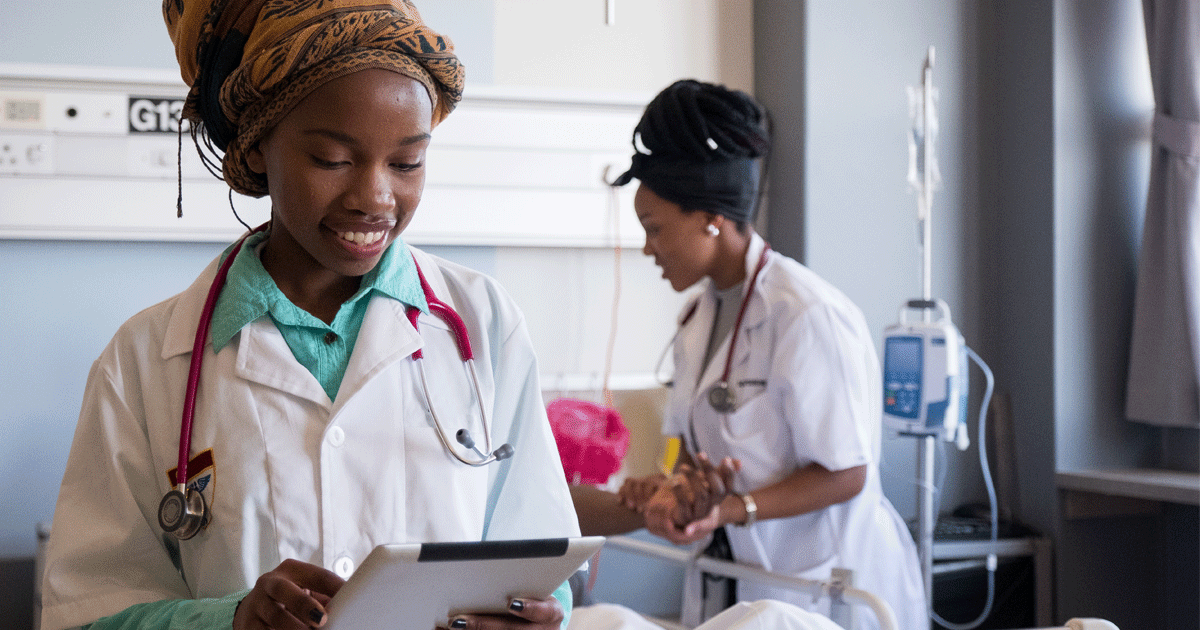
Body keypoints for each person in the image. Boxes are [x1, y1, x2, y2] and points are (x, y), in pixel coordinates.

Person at [38, 3, 580, 630]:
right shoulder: (143, 362)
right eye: (332, 159)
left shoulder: (482, 323)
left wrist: (537, 615)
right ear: (259, 146)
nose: (377, 197)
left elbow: (543, 562)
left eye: (407, 163)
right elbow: (86, 612)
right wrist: (229, 620)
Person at [590, 79, 927, 630]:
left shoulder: (806, 314)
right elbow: (686, 446)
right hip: (752, 585)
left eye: (655, 229)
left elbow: (847, 472)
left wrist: (730, 509)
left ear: (709, 218)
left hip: (835, 589)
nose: (648, 248)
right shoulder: (696, 322)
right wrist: (670, 486)